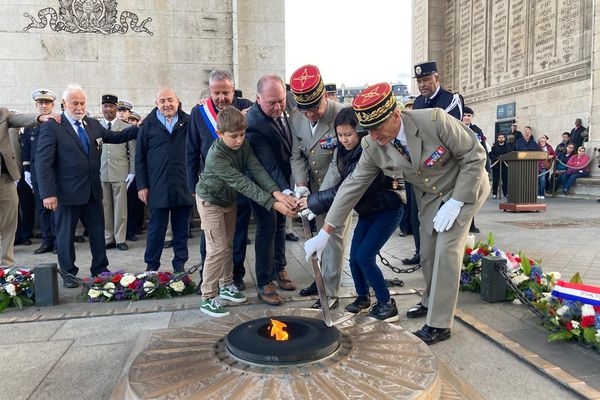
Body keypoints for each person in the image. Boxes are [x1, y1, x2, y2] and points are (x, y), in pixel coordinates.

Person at [304, 83, 489, 344]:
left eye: (379, 127)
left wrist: (457, 200)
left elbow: (474, 155)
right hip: (430, 196)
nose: (375, 135)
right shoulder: (372, 144)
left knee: (446, 250)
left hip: (464, 186)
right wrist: (326, 231)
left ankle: (439, 323)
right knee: (426, 252)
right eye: (368, 129)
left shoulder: (434, 121)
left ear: (395, 115)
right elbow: (351, 187)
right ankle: (430, 301)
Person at [299, 107, 405, 320]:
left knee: (365, 257)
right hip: (367, 212)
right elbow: (335, 176)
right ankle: (363, 297)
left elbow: (346, 189)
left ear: (360, 132)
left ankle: (386, 303)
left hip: (387, 210)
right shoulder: (341, 150)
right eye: (340, 135)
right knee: (354, 258)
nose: (344, 139)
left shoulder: (368, 151)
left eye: (349, 134)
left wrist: (313, 202)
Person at [195, 106, 295, 317]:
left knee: (229, 244)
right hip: (210, 201)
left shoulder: (244, 145)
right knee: (217, 249)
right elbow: (243, 184)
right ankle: (208, 296)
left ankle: (227, 285)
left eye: (242, 135)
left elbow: (256, 169)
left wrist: (277, 192)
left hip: (227, 200)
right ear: (220, 134)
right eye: (234, 136)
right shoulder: (216, 157)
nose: (239, 140)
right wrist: (275, 204)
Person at [36, 85, 137, 286]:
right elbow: (43, 161)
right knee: (65, 237)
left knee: (98, 232)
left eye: (82, 103)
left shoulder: (92, 124)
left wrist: (141, 127)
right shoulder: (52, 127)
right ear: (65, 105)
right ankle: (69, 274)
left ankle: (100, 268)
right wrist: (48, 193)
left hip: (92, 191)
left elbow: (116, 138)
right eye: (75, 103)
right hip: (66, 194)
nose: (79, 107)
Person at [289, 64, 351, 308]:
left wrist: (318, 198)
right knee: (316, 236)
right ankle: (320, 280)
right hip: (312, 188)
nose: (310, 115)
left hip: (337, 189)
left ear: (325, 96)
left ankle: (331, 292)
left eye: (314, 108)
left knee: (333, 237)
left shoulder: (342, 116)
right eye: (304, 110)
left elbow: (340, 162)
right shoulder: (298, 118)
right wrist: (302, 184)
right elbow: (297, 154)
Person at [186, 70, 253, 291]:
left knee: (237, 236)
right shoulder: (199, 112)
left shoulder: (246, 107)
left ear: (233, 91)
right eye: (217, 93)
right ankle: (209, 280)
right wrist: (191, 185)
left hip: (239, 186)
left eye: (226, 92)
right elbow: (192, 150)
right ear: (210, 92)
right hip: (212, 188)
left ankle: (235, 276)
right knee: (212, 239)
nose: (221, 97)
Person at [245, 75, 300, 305]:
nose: (278, 106)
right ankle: (264, 281)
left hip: (285, 180)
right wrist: (285, 193)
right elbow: (268, 165)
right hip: (263, 184)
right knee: (267, 229)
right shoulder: (254, 123)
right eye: (271, 102)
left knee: (280, 226)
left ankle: (280, 269)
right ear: (258, 99)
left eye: (281, 100)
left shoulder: (285, 104)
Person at [404, 61, 465, 266]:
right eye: (419, 81)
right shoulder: (418, 103)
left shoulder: (451, 99)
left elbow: (450, 131)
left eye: (426, 80)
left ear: (436, 79)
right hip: (420, 168)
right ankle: (421, 252)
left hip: (444, 168)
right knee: (418, 213)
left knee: (443, 213)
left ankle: (442, 255)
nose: (422, 85)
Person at [136, 87, 194, 273]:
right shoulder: (147, 125)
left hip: (183, 184)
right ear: (156, 104)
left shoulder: (189, 122)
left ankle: (180, 267)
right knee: (156, 230)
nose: (167, 104)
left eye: (170, 100)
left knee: (182, 230)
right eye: (162, 101)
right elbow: (140, 158)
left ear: (178, 101)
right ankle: (151, 268)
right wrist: (142, 186)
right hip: (157, 186)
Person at [1, 108, 54, 266]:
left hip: (5, 178)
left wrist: (41, 117)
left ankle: (6, 268)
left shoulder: (2, 114)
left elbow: (20, 118)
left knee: (9, 223)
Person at [22, 89, 58, 254]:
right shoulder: (31, 126)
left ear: (52, 105)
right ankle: (46, 241)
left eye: (47, 103)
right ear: (36, 105)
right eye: (41, 103)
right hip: (37, 173)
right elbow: (27, 150)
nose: (44, 106)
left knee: (56, 208)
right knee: (42, 208)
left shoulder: (58, 122)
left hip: (54, 172)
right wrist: (27, 170)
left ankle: (58, 242)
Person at [99, 94, 135, 251]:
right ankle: (108, 237)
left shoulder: (126, 127)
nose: (108, 109)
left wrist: (132, 171)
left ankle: (120, 238)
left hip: (120, 171)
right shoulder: (96, 126)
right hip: (101, 172)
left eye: (111, 106)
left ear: (116, 108)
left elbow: (133, 152)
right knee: (105, 207)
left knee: (120, 208)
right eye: (105, 106)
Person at [125, 110, 144, 242]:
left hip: (133, 172)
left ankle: (133, 228)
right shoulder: (119, 130)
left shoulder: (136, 133)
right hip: (120, 171)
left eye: (133, 120)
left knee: (133, 204)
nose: (131, 122)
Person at [489, 133, 513, 199]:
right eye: (499, 138)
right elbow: (491, 155)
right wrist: (498, 158)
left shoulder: (508, 147)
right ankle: (494, 194)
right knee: (495, 181)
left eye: (502, 137)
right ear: (497, 139)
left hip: (505, 166)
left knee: (505, 181)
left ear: (504, 139)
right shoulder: (494, 147)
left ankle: (506, 194)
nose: (501, 139)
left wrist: (504, 158)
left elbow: (510, 155)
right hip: (496, 167)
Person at [536, 135, 555, 200]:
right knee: (538, 180)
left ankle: (542, 193)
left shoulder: (549, 147)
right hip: (537, 165)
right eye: (541, 137)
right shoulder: (536, 146)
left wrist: (550, 156)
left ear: (546, 140)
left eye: (544, 137)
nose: (542, 138)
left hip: (544, 165)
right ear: (539, 139)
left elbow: (554, 155)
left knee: (543, 179)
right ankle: (538, 193)